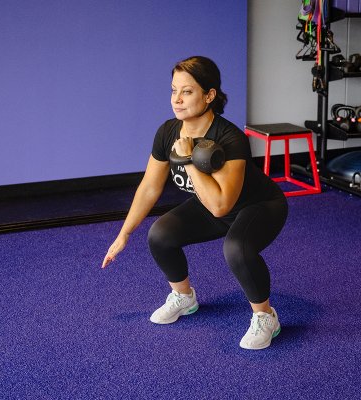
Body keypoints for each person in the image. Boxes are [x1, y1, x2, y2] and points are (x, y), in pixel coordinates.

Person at [101, 56, 288, 350]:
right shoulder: (167, 132)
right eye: (174, 90)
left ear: (209, 95)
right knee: (160, 234)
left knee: (236, 248)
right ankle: (184, 297)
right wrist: (124, 233)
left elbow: (220, 206)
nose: (177, 99)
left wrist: (188, 159)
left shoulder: (229, 138)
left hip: (258, 206)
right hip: (211, 201)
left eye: (187, 91)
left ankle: (265, 316)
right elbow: (150, 187)